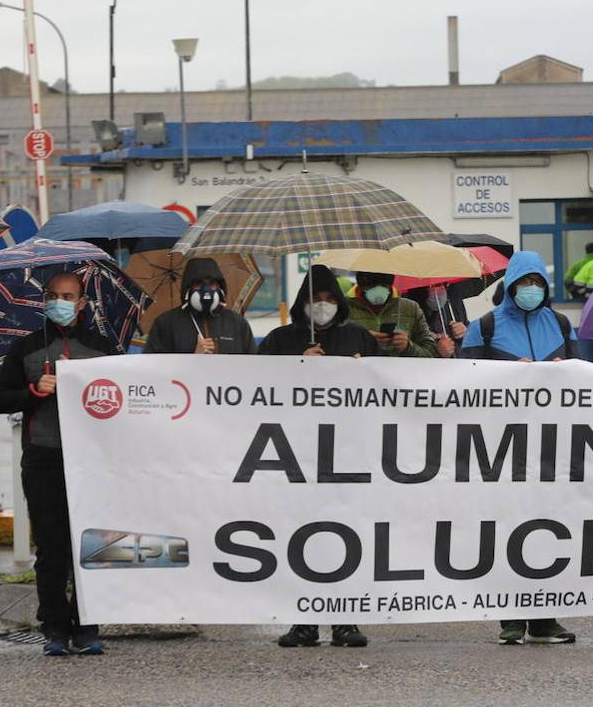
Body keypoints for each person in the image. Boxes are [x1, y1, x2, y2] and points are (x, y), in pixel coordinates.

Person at [0, 272, 120, 657]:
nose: (60, 302)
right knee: (51, 546)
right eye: (53, 295)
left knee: (92, 544)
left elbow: (124, 400)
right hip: (43, 458)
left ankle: (88, 625)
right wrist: (33, 391)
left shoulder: (103, 348)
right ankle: (55, 628)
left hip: (93, 461)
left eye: (68, 296)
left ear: (82, 303)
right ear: (43, 300)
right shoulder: (26, 348)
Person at [460, 251, 579, 645]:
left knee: (549, 529)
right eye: (524, 283)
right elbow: (466, 387)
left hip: (552, 447)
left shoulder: (561, 324)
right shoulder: (486, 327)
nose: (531, 289)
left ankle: (545, 618)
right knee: (508, 531)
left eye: (537, 283)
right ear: (510, 285)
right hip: (502, 448)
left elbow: (586, 383)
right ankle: (510, 618)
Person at [260, 264, 376, 648]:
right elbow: (253, 386)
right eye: (316, 299)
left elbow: (390, 389)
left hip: (348, 453)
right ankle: (304, 622)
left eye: (329, 299)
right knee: (301, 536)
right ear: (303, 304)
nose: (323, 306)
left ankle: (346, 621)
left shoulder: (357, 335)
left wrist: (368, 370)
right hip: (298, 453)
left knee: (347, 535)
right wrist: (298, 365)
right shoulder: (281, 339)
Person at [144, 258, 254, 355]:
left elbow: (253, 366)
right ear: (188, 289)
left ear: (220, 287)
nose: (206, 290)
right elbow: (154, 369)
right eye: (198, 284)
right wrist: (194, 357)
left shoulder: (236, 323)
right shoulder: (166, 323)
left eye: (212, 283)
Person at [344, 270, 437, 358]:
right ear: (361, 286)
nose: (378, 292)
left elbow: (431, 353)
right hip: (360, 372)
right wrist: (361, 339)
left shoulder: (410, 308)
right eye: (371, 286)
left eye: (384, 286)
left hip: (401, 372)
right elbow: (333, 348)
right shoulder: (344, 308)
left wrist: (408, 346)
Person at [405, 284, 468, 359]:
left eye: (442, 284)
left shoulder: (453, 299)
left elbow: (466, 325)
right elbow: (405, 352)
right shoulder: (408, 313)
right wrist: (436, 352)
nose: (441, 289)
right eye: (433, 286)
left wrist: (465, 332)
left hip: (459, 364)